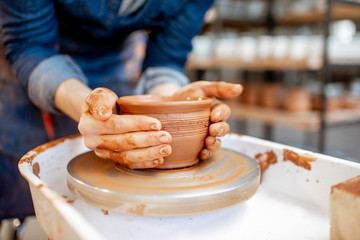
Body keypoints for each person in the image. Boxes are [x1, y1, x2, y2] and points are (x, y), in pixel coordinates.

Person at [0, 0, 243, 220]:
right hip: (39, 58)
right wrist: (88, 105)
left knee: (116, 164)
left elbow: (167, 57)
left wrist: (168, 102)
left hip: (114, 60)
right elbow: (29, 42)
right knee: (34, 181)